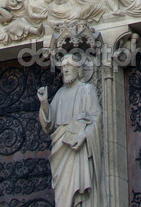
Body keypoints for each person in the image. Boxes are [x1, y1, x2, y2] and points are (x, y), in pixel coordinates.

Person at [38, 55, 101, 206]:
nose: (65, 69)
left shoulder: (87, 90)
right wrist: (44, 103)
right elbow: (49, 125)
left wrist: (84, 136)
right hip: (61, 145)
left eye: (69, 65)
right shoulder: (59, 94)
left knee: (77, 186)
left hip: (76, 147)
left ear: (78, 70)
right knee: (62, 188)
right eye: (63, 66)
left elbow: (96, 117)